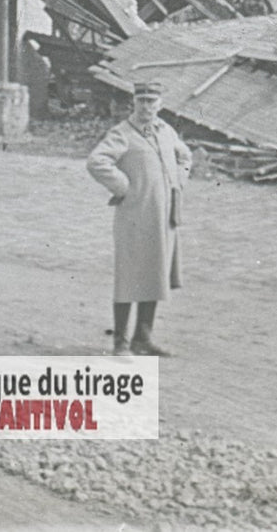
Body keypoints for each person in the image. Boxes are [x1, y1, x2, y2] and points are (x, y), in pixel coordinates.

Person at [86, 81, 192, 356]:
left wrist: (178, 180)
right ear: (133, 102)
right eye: (141, 100)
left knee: (156, 273)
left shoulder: (166, 131)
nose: (146, 106)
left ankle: (142, 338)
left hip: (164, 215)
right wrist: (124, 187)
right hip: (135, 215)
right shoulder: (123, 133)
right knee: (130, 276)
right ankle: (121, 342)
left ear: (161, 103)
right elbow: (97, 161)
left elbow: (185, 156)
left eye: (151, 101)